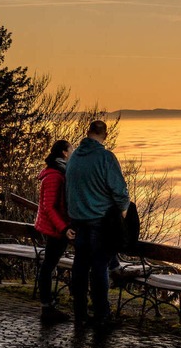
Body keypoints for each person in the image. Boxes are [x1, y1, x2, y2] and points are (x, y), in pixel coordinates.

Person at [66, 120, 130, 331]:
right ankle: (102, 314)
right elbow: (120, 192)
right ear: (105, 134)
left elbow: (69, 189)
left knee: (81, 266)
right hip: (100, 222)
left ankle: (80, 312)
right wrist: (122, 211)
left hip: (78, 221)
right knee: (100, 267)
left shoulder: (74, 157)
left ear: (87, 132)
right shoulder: (105, 158)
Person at [34, 139, 75, 324]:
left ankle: (48, 306)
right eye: (71, 149)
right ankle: (47, 307)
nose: (73, 152)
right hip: (55, 229)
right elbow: (49, 208)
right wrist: (64, 228)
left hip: (55, 228)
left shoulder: (58, 173)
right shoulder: (54, 176)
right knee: (48, 266)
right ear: (64, 153)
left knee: (48, 265)